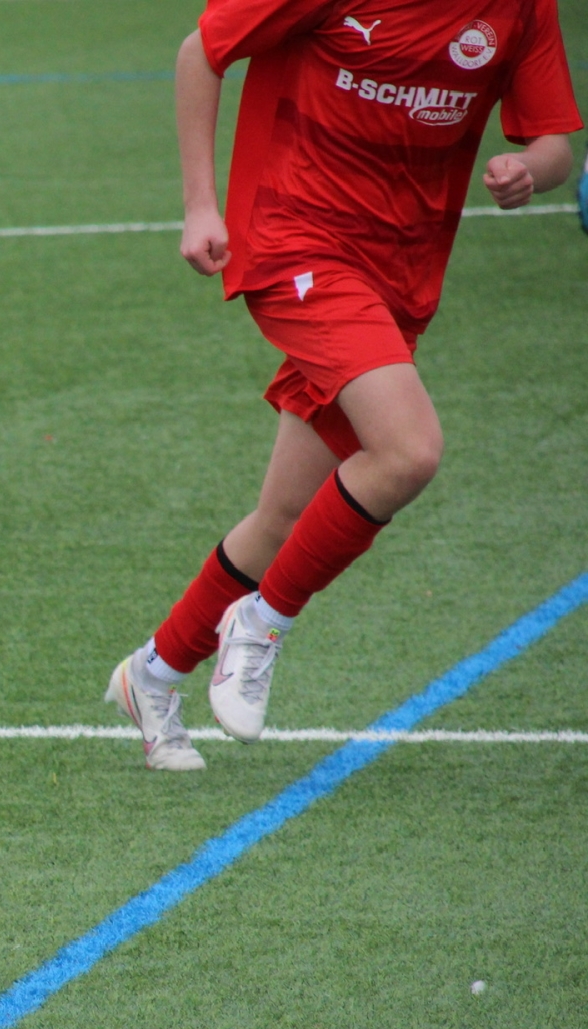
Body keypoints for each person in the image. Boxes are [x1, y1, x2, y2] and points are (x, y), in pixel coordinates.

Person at [104, 0, 580, 770]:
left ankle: (151, 677)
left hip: (401, 275)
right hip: (295, 239)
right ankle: (261, 621)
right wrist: (199, 206)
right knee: (408, 451)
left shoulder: (522, 7)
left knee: (285, 516)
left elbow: (556, 143)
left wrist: (531, 169)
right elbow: (202, 50)